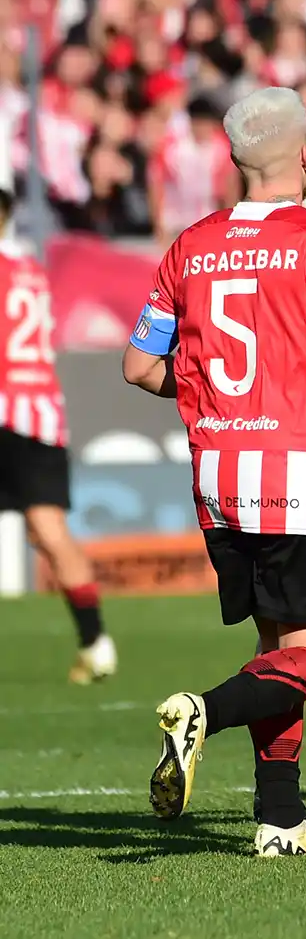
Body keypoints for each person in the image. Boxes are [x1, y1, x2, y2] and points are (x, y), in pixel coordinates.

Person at [122, 86, 306, 856]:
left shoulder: (190, 245)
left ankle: (281, 817)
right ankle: (204, 711)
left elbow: (139, 366)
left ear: (234, 160)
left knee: (277, 648)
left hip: (219, 475)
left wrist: (216, 398)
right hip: (299, 475)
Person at [0, 160, 116, 685]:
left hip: (7, 407)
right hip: (41, 410)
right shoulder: (29, 270)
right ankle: (96, 642)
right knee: (48, 527)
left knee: (45, 529)